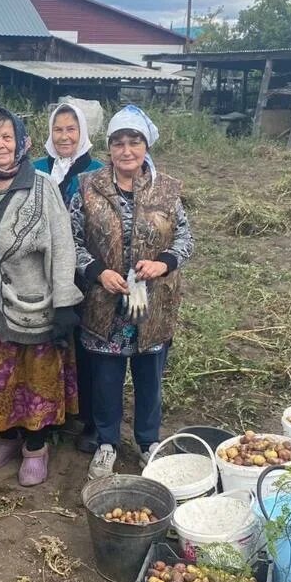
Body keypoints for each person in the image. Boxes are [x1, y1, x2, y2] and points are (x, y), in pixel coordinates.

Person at [69, 105, 195, 480]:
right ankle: (107, 443)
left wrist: (164, 263)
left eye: (134, 142)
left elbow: (187, 237)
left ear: (146, 145)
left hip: (152, 303)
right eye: (118, 143)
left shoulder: (168, 189)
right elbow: (70, 240)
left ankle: (147, 443)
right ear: (109, 149)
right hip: (105, 302)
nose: (126, 151)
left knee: (149, 376)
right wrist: (96, 272)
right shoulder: (89, 187)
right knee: (106, 378)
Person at [0, 106, 83, 487]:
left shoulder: (42, 185)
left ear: (22, 143)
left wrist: (64, 301)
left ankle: (35, 447)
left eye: (7, 137)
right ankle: (7, 438)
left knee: (35, 380)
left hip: (34, 305)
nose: (0, 145)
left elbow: (62, 247)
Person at [34, 101, 104, 455]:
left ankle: (89, 419)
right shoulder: (34, 169)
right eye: (58, 129)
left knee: (86, 346)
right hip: (39, 273)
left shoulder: (96, 172)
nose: (64, 136)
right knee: (48, 344)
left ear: (83, 133)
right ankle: (52, 415)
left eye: (71, 129)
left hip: (84, 274)